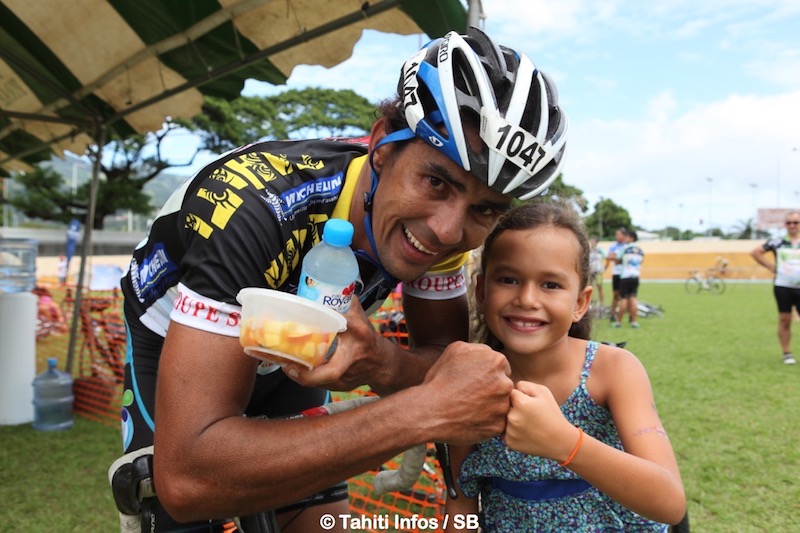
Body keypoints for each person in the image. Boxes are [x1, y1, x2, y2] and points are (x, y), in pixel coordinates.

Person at [112, 27, 568, 532]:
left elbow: (442, 359)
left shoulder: (442, 235)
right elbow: (188, 479)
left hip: (301, 350)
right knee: (186, 508)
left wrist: (383, 360)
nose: (446, 230)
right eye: (436, 181)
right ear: (380, 147)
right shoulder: (255, 206)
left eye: (484, 209)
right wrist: (423, 410)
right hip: (177, 336)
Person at [443, 202, 685, 532]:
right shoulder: (468, 382)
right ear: (482, 292)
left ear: (580, 303)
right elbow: (461, 504)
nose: (527, 299)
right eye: (509, 279)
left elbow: (669, 502)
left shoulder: (613, 370)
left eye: (551, 285)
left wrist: (565, 443)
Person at [751, 210, 800, 365]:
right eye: (789, 222)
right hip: (782, 286)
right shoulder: (777, 242)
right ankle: (787, 353)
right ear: (785, 225)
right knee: (785, 320)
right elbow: (756, 252)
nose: (792, 225)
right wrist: (771, 267)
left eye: (796, 222)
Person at [614, 229, 645, 328]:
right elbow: (641, 262)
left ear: (631, 238)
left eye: (627, 237)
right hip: (635, 277)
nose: (625, 238)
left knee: (623, 299)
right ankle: (634, 322)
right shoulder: (640, 250)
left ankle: (618, 322)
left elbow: (618, 260)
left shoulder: (625, 248)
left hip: (625, 277)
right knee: (633, 298)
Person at [605, 227, 629, 320]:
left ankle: (628, 315)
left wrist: (615, 258)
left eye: (618, 234)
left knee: (626, 296)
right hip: (616, 273)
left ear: (624, 235)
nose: (616, 236)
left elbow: (619, 259)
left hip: (625, 274)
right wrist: (617, 258)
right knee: (615, 295)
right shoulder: (613, 246)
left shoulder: (627, 246)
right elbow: (609, 257)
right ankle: (613, 314)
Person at [588, 236, 607, 307]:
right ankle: (589, 303)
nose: (592, 243)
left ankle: (602, 303)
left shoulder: (600, 250)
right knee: (590, 287)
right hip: (590, 271)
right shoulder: (588, 251)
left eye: (593, 241)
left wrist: (604, 268)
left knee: (600, 287)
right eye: (591, 241)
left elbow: (606, 258)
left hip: (598, 271)